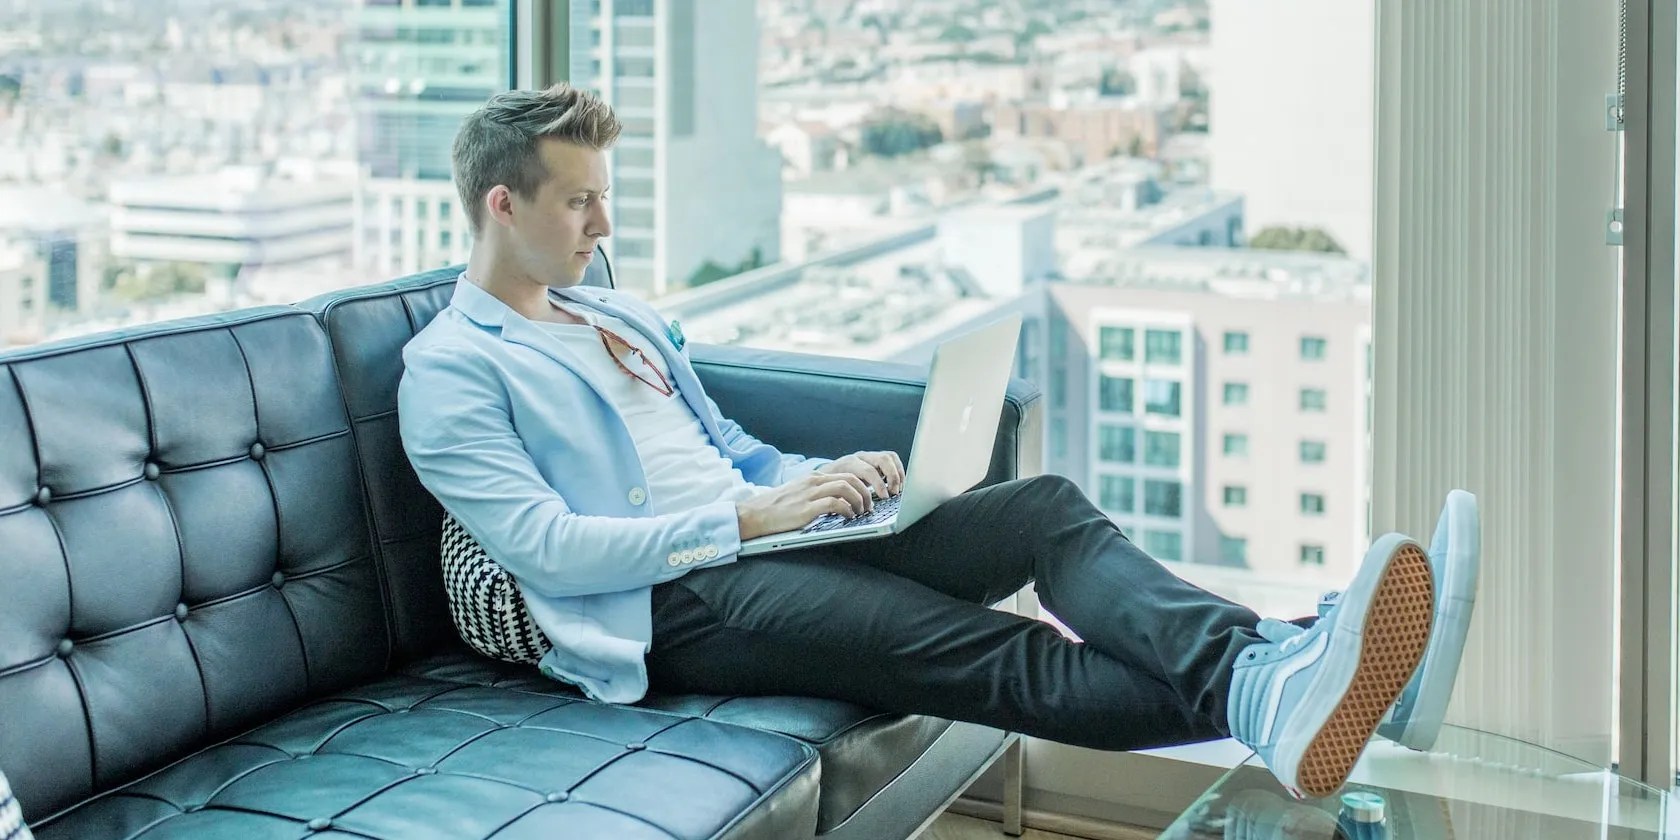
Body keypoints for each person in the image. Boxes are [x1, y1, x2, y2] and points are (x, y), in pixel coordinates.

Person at [397, 85, 1480, 801]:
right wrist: (743, 517)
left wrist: (816, 483)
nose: (602, 226)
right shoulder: (451, 369)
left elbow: (720, 438)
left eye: (602, 199)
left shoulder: (612, 313)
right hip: (670, 601)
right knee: (983, 649)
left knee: (1044, 511)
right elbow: (548, 548)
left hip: (769, 537)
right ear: (502, 204)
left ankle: (1286, 674)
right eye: (579, 202)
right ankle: (1311, 675)